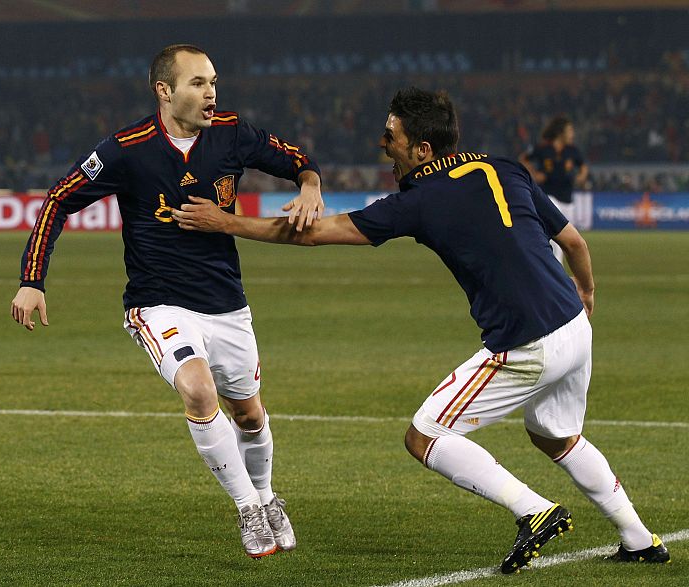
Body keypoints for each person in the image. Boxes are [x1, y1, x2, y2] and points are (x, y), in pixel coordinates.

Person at [173, 87, 670, 572]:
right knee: (557, 436)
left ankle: (532, 510)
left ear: (423, 148)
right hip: (574, 329)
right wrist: (584, 294)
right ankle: (638, 539)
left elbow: (319, 233)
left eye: (391, 136)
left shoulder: (418, 200)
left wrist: (226, 223)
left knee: (425, 436)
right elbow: (575, 243)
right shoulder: (503, 167)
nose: (382, 145)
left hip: (527, 343)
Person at [10, 44, 324, 558]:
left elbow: (299, 161)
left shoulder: (231, 132)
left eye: (214, 82)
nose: (211, 94)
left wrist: (310, 186)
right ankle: (247, 508)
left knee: (248, 414)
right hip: (159, 302)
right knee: (199, 392)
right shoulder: (125, 148)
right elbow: (59, 198)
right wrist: (32, 279)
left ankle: (268, 499)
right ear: (165, 91)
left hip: (226, 303)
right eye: (199, 83)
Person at [519, 115, 589, 264]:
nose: (572, 134)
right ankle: (556, 271)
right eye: (570, 130)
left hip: (567, 199)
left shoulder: (572, 151)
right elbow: (524, 159)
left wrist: (581, 176)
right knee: (556, 236)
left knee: (566, 239)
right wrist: (533, 174)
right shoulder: (543, 149)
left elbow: (583, 166)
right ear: (560, 132)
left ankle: (552, 268)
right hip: (549, 197)